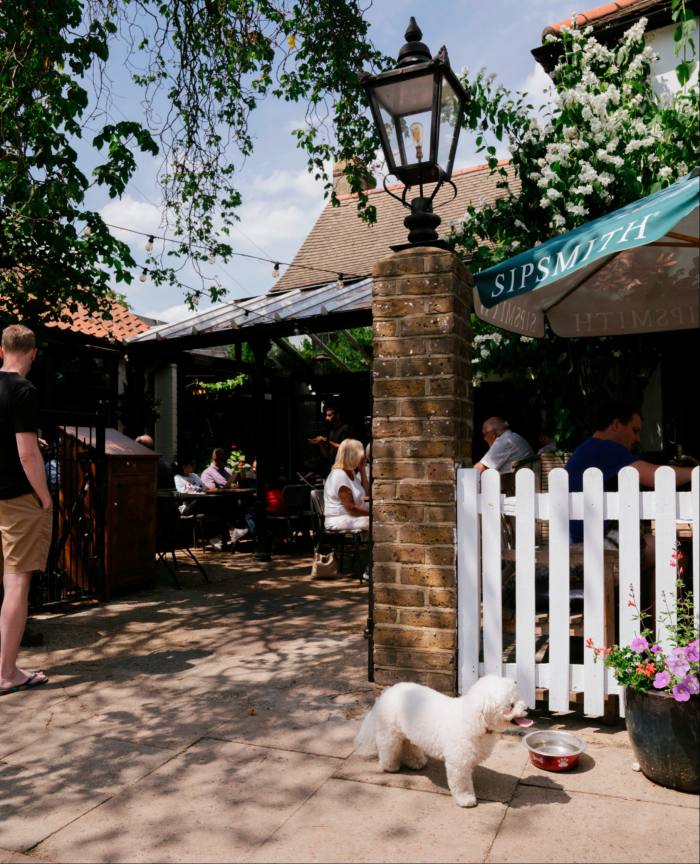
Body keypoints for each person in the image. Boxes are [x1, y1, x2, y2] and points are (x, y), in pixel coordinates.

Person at [0, 325, 52, 695]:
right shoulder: (24, 390)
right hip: (17, 498)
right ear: (33, 353)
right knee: (16, 583)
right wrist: (45, 497)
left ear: (1, 350)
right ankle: (6, 674)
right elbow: (26, 453)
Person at [566, 401, 694, 548]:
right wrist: (694, 472)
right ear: (616, 425)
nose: (638, 439)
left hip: (579, 540)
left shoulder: (589, 447)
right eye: (635, 430)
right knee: (666, 549)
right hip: (591, 543)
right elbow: (657, 477)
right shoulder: (605, 448)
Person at [324, 438, 369, 532]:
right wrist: (372, 514)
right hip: (341, 519)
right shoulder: (339, 475)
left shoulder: (350, 472)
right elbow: (351, 509)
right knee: (379, 522)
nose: (364, 457)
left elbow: (366, 495)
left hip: (353, 517)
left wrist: (362, 471)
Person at [308, 404, 352, 470]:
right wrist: (320, 443)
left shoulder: (345, 428)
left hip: (343, 467)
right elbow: (327, 455)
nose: (326, 418)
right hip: (333, 466)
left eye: (329, 415)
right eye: (326, 415)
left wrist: (327, 441)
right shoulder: (331, 430)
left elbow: (345, 447)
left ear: (337, 415)